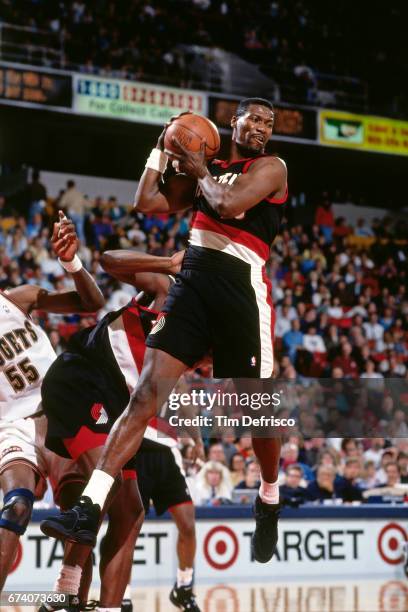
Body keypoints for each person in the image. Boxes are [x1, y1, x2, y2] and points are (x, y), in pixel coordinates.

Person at [41, 97, 288, 564]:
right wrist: (161, 145)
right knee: (144, 397)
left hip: (240, 288)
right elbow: (146, 201)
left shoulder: (271, 166)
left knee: (257, 411)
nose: (260, 127)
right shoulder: (207, 168)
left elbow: (228, 202)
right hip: (192, 281)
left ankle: (270, 496)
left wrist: (197, 169)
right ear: (232, 123)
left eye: (267, 122)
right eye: (252, 118)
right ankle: (90, 507)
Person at [41, 248, 202, 612]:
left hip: (117, 405)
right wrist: (165, 263)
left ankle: (108, 607)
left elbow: (175, 388)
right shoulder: (168, 286)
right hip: (82, 377)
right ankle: (63, 594)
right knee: (106, 491)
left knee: (132, 511)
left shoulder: (204, 330)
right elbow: (108, 260)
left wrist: (194, 433)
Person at [0, 212, 105, 591]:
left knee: (79, 518)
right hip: (13, 425)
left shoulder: (18, 298)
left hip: (60, 412)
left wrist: (71, 262)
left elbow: (92, 302)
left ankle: (69, 597)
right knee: (18, 505)